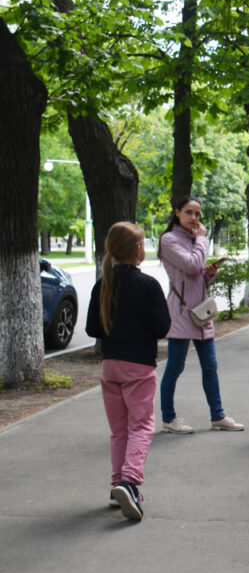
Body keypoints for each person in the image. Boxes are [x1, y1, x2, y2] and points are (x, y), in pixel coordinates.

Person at [86, 222, 171, 521]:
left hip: (110, 367)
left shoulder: (102, 285)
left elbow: (92, 329)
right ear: (138, 250)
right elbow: (163, 328)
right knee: (142, 426)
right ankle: (130, 482)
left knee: (119, 430)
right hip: (139, 366)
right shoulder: (148, 285)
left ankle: (115, 487)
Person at [158, 197, 246, 434]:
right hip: (180, 312)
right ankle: (169, 418)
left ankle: (218, 416)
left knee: (211, 366)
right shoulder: (169, 239)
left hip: (200, 312)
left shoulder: (192, 240)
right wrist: (202, 239)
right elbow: (190, 264)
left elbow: (195, 273)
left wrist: (209, 274)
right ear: (177, 213)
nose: (194, 218)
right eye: (189, 213)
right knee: (175, 367)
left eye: (198, 214)